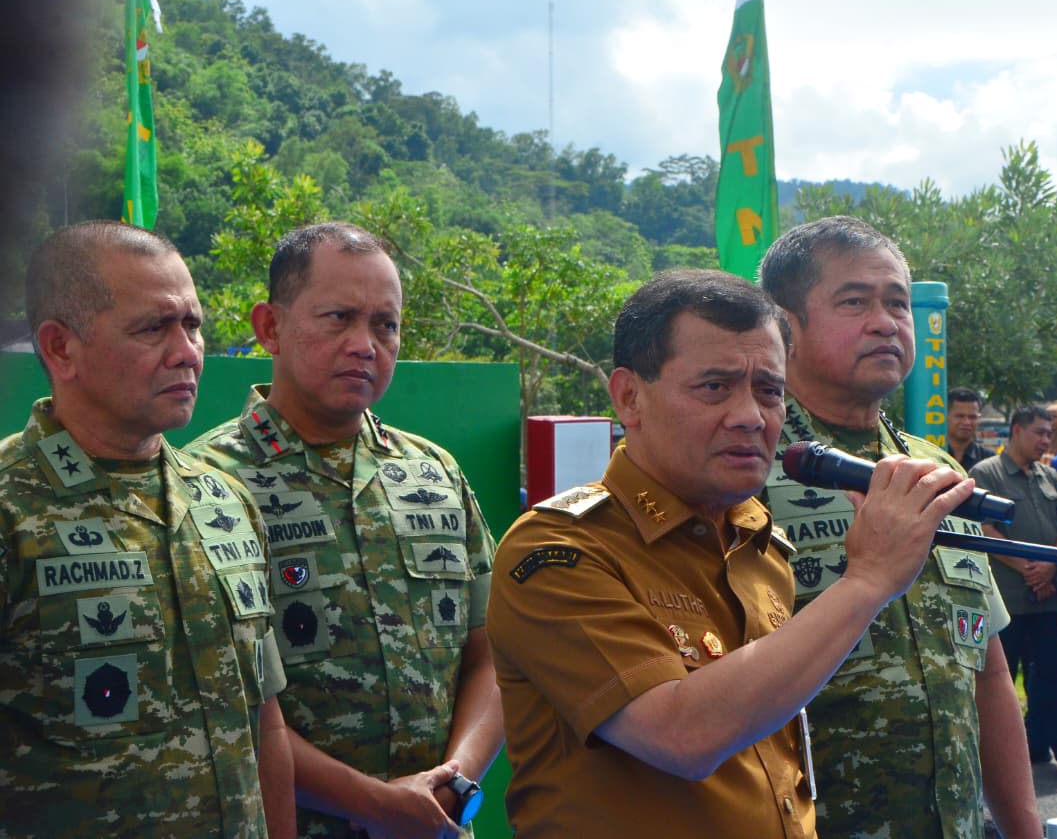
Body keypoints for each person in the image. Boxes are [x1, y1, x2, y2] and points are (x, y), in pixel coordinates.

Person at [487, 269, 978, 839]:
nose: (751, 415)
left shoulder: (761, 545)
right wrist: (867, 579)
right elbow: (682, 735)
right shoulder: (558, 550)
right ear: (629, 397)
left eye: (769, 390)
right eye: (715, 386)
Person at [185, 222, 503, 838]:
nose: (365, 344)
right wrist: (377, 804)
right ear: (269, 327)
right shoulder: (202, 485)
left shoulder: (431, 471)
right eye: (339, 318)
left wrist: (451, 780)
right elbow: (222, 705)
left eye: (385, 324)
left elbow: (492, 648)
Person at [0, 221, 293, 837]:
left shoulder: (224, 499)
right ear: (60, 348)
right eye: (153, 327)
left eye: (193, 324)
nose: (187, 351)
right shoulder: (10, 510)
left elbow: (262, 720)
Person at [758, 216, 1040, 838]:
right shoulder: (746, 470)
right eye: (855, 302)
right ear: (785, 326)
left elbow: (987, 671)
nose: (886, 322)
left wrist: (1026, 830)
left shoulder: (936, 470)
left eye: (898, 304)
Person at [970, 405, 1057, 775]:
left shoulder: (1050, 476)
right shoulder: (987, 473)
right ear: (1015, 431)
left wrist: (1051, 565)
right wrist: (1029, 568)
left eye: (1049, 434)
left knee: (1056, 680)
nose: (1045, 440)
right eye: (1038, 433)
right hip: (1008, 601)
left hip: (1052, 598)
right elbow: (983, 529)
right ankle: (998, 764)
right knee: (998, 683)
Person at [945, 386, 995, 472]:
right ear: (945, 416)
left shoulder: (989, 460)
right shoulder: (931, 454)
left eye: (972, 417)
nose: (966, 422)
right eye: (960, 416)